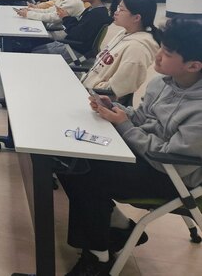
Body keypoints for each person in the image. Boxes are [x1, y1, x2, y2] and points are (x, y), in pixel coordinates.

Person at [57, 18, 202, 276]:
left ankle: (98, 258)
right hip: (147, 157)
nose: (158, 56)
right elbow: (142, 117)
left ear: (193, 65)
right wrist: (115, 108)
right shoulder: (162, 83)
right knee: (72, 158)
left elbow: (171, 158)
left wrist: (124, 125)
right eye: (161, 47)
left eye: (167, 53)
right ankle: (118, 228)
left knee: (85, 173)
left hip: (174, 177)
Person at [82, 0, 161, 100]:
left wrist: (89, 90)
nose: (116, 12)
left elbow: (117, 89)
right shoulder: (124, 33)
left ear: (136, 18)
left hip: (97, 98)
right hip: (88, 87)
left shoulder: (137, 48)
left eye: (121, 9)